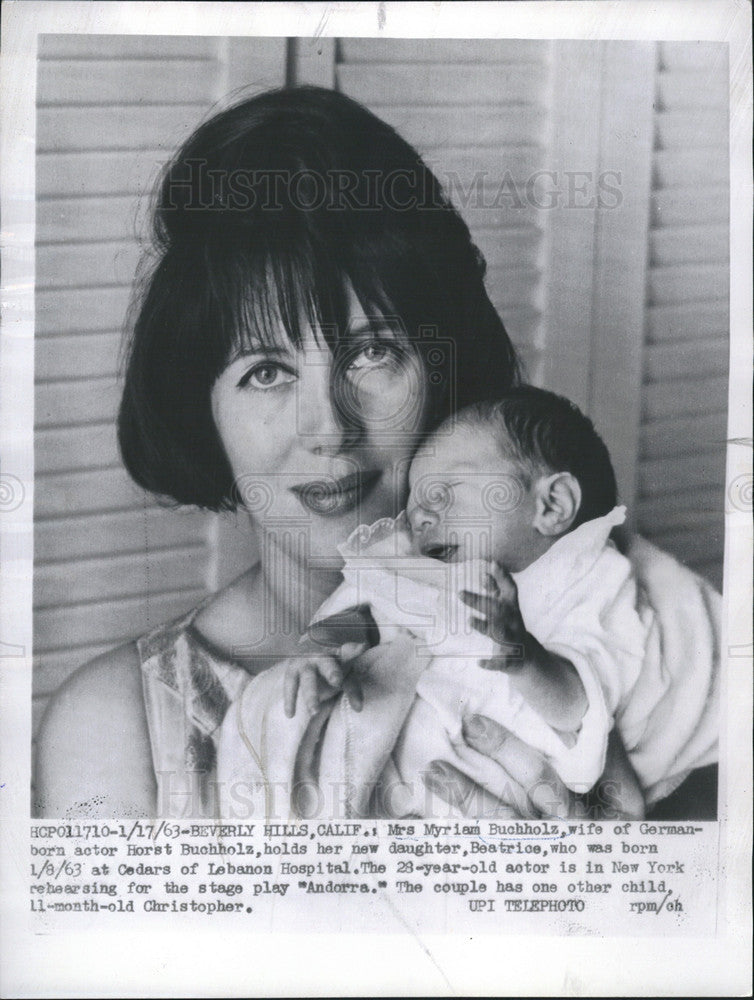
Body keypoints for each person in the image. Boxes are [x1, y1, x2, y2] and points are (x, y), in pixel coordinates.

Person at [33, 85, 718, 821]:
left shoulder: (620, 624)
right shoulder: (116, 727)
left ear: (442, 369)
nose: (329, 428)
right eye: (266, 372)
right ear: (202, 410)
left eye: (372, 353)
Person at [265, 389, 718, 818]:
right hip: (396, 780)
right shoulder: (427, 567)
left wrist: (524, 657)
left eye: (443, 493)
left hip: (505, 799)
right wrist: (319, 650)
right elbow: (368, 609)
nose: (418, 517)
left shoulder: (590, 579)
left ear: (552, 505)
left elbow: (578, 708)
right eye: (415, 503)